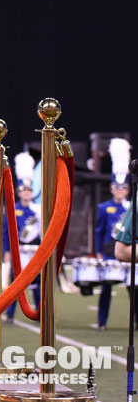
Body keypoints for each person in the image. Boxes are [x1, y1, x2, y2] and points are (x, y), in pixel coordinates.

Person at [94, 137, 131, 331]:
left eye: (123, 187)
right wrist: (98, 251)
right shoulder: (104, 207)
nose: (120, 190)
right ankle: (101, 321)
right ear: (111, 188)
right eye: (117, 187)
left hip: (128, 252)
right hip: (109, 251)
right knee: (106, 289)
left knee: (133, 289)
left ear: (128, 189)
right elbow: (99, 231)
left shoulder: (132, 206)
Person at [4, 151, 41, 323]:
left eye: (29, 190)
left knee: (37, 283)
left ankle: (41, 312)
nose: (26, 193)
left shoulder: (38, 210)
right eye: (23, 190)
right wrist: (6, 250)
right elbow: (6, 231)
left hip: (35, 251)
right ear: (18, 192)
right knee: (15, 283)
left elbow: (43, 233)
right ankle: (10, 314)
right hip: (18, 251)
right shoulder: (12, 208)